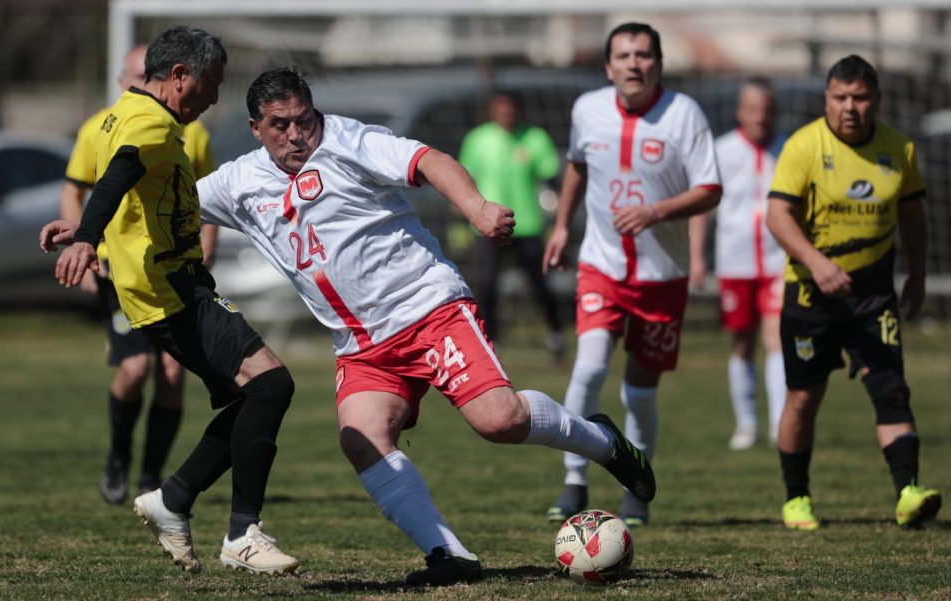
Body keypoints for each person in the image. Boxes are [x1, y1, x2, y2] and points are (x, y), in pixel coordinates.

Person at [195, 66, 656, 586]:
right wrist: (92, 233)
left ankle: (603, 442)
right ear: (256, 128)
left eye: (306, 120)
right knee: (362, 437)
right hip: (361, 345)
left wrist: (477, 208)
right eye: (281, 125)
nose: (298, 134)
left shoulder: (351, 141)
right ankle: (449, 555)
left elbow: (428, 160)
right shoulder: (238, 180)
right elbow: (175, 205)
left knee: (498, 420)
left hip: (428, 310)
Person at [40, 26, 300, 576]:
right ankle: (241, 533)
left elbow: (127, 192)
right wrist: (88, 236)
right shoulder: (151, 123)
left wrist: (89, 228)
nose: (212, 98)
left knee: (254, 396)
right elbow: (120, 173)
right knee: (272, 385)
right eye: (209, 85)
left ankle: (174, 500)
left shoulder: (121, 114)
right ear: (179, 76)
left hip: (168, 288)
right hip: (170, 291)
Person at [542, 22, 722, 526]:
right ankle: (574, 478)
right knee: (590, 367)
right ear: (608, 66)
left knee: (640, 389)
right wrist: (561, 227)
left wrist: (656, 211)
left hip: (663, 276)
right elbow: (576, 166)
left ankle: (636, 486)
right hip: (602, 266)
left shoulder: (684, 115)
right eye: (623, 55)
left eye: (643, 55)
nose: (633, 64)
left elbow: (711, 189)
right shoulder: (587, 110)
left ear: (658, 64)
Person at [766, 55, 941, 530]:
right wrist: (818, 264)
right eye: (840, 97)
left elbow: (912, 218)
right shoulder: (804, 146)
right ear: (827, 98)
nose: (850, 107)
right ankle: (796, 498)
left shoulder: (899, 150)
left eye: (859, 98)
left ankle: (907, 493)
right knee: (803, 397)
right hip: (810, 296)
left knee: (892, 392)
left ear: (876, 101)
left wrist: (919, 275)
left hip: (872, 297)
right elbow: (777, 217)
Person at [60, 44, 220, 505]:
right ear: (124, 82)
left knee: (172, 373)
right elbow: (80, 190)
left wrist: (208, 243)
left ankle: (151, 474)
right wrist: (85, 245)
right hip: (120, 269)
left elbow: (204, 195)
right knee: (134, 368)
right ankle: (117, 458)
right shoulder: (101, 128)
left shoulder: (191, 132)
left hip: (173, 269)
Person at [690, 78, 787, 450]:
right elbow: (702, 207)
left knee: (777, 339)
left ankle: (780, 423)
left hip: (780, 262)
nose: (760, 116)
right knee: (742, 343)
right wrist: (698, 256)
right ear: (740, 111)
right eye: (753, 109)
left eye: (767, 109)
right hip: (735, 263)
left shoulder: (789, 148)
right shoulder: (721, 151)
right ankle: (746, 424)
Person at [458, 91, 564, 359]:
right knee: (488, 282)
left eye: (510, 108)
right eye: (500, 108)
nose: (505, 113)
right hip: (487, 226)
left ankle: (556, 335)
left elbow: (551, 177)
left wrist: (562, 214)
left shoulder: (535, 138)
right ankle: (492, 340)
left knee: (539, 283)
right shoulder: (478, 139)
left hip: (526, 223)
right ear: (493, 111)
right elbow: (463, 179)